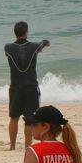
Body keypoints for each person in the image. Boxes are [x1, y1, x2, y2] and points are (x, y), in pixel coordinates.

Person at [5, 21, 50, 150]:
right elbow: (41, 45)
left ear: (15, 33)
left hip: (15, 87)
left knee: (14, 118)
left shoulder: (8, 47)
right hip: (30, 86)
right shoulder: (34, 47)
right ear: (26, 32)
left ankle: (12, 146)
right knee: (29, 119)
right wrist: (45, 42)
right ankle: (27, 147)